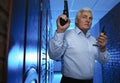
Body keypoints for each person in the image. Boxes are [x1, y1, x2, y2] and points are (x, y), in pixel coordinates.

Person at [48, 8, 109, 83]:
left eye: (90, 18)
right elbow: (53, 55)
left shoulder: (93, 40)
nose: (88, 20)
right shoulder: (66, 35)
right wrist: (60, 31)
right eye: (84, 17)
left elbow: (103, 61)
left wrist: (103, 48)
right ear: (76, 20)